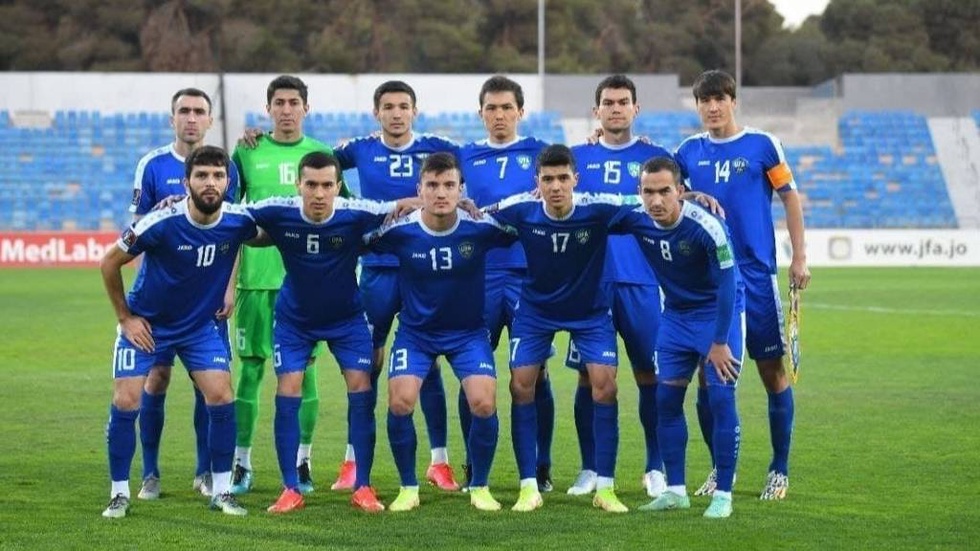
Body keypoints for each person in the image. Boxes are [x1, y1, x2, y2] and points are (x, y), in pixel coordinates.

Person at [245, 152, 410, 514]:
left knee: (361, 389)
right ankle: (290, 488)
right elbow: (228, 215)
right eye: (311, 185)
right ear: (298, 185)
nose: (318, 194)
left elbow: (403, 205)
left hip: (346, 320)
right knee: (288, 389)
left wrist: (457, 203)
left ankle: (363, 486)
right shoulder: (278, 210)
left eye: (326, 185)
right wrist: (179, 202)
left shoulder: (355, 212)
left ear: (338, 187)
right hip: (294, 321)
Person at [674, 69, 811, 500]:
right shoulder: (687, 151)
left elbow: (790, 197)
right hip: (708, 282)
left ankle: (779, 469)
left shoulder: (763, 145)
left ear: (734, 101)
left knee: (772, 371)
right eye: (705, 100)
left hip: (755, 276)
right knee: (708, 376)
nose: (713, 107)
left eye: (720, 99)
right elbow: (666, 194)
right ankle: (720, 469)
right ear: (698, 106)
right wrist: (691, 196)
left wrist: (799, 257)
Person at [100, 146, 257, 519]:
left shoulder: (239, 220)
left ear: (228, 182)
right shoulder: (160, 222)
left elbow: (269, 231)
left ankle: (221, 490)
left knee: (221, 394)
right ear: (186, 182)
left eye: (218, 176)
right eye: (201, 176)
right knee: (126, 400)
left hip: (199, 326)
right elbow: (109, 262)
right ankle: (119, 493)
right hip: (148, 325)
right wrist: (125, 318)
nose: (210, 183)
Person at [329, 81, 462, 492]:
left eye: (404, 106)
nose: (397, 113)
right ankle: (352, 461)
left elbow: (478, 163)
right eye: (388, 107)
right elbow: (314, 160)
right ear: (377, 113)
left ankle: (439, 462)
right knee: (365, 364)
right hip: (377, 270)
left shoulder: (438, 146)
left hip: (424, 269)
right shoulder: (360, 149)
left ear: (414, 111)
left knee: (430, 360)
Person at [485, 144, 630, 513]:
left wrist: (686, 196)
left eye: (563, 178)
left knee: (605, 386)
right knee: (520, 385)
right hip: (536, 311)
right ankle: (528, 487)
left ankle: (606, 488)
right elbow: (479, 215)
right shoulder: (522, 208)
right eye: (548, 179)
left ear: (575, 180)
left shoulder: (598, 208)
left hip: (589, 311)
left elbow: (646, 203)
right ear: (537, 182)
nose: (555, 186)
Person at [366, 152, 511, 512]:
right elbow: (360, 238)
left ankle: (479, 485)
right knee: (400, 401)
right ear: (420, 190)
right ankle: (408, 487)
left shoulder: (479, 227)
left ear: (461, 189)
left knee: (484, 402)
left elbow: (522, 227)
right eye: (432, 185)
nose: (441, 193)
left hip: (468, 334)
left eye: (449, 185)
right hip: (416, 334)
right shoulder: (401, 230)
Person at [612, 156, 744, 519]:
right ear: (639, 192)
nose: (656, 200)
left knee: (721, 399)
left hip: (718, 315)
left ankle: (723, 495)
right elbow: (593, 209)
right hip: (675, 318)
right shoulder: (636, 217)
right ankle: (676, 491)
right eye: (648, 192)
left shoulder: (707, 226)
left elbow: (728, 283)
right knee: (666, 401)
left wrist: (720, 341)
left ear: (680, 191)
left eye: (664, 191)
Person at [129, 88, 241, 501]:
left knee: (208, 384)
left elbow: (233, 230)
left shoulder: (226, 167)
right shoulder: (152, 165)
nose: (191, 118)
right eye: (184, 111)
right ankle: (150, 473)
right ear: (172, 118)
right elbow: (137, 236)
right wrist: (144, 298)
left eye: (199, 112)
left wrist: (228, 287)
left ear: (210, 120)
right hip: (160, 305)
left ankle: (204, 472)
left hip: (207, 301)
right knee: (156, 379)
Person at [231, 75, 340, 496]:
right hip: (255, 282)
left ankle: (302, 461)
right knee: (251, 369)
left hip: (305, 285)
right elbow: (229, 219)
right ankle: (241, 463)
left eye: (295, 102)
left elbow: (343, 216)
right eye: (279, 102)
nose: (287, 109)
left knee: (305, 373)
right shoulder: (247, 151)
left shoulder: (322, 155)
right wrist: (227, 284)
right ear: (268, 108)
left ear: (306, 108)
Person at [565, 74, 671, 498]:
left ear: (635, 109)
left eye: (623, 102)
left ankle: (655, 467)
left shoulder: (656, 158)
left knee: (650, 374)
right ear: (596, 111)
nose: (615, 109)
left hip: (643, 281)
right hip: (590, 285)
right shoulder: (576, 159)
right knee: (589, 378)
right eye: (608, 103)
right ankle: (590, 467)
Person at [458, 75, 556, 492]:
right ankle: (472, 464)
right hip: (477, 276)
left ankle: (540, 465)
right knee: (471, 371)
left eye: (506, 108)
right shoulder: (463, 156)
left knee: (534, 374)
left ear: (521, 112)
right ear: (480, 113)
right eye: (491, 108)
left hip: (528, 277)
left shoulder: (541, 153)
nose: (499, 115)